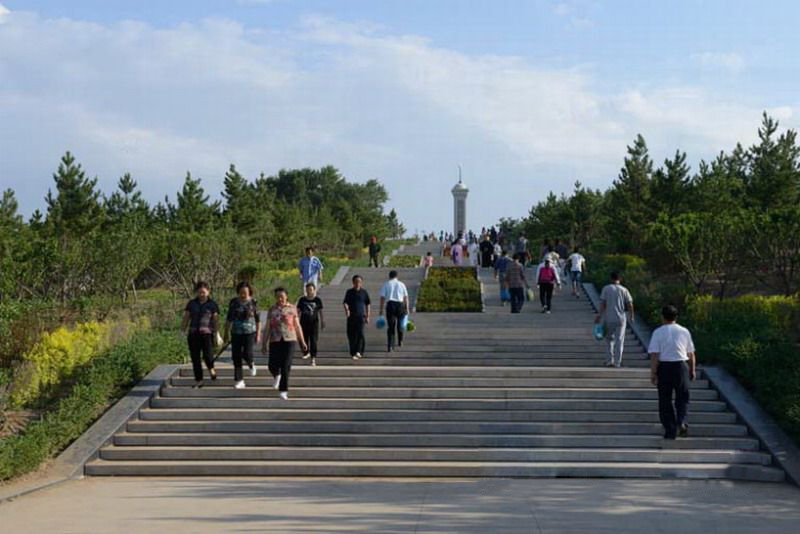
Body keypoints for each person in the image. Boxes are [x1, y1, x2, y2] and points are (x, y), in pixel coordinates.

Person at [648, 305, 696, 439]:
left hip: (665, 367)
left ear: (662, 317)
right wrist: (692, 370)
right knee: (683, 397)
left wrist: (653, 372)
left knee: (665, 400)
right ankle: (682, 421)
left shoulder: (658, 332)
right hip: (681, 366)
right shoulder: (684, 331)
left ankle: (670, 429)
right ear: (676, 317)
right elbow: (691, 353)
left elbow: (655, 355)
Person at [262, 287, 307, 400]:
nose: (280, 298)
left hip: (289, 339)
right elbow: (267, 327)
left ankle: (283, 390)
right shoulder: (272, 310)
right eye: (277, 296)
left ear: (286, 296)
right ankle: (277, 376)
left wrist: (302, 341)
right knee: (272, 365)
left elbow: (297, 325)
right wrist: (264, 343)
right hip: (275, 339)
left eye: (282, 296)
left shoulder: (292, 308)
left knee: (286, 365)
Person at [181, 281, 219, 388]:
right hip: (193, 333)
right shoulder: (192, 304)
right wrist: (182, 331)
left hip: (207, 333)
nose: (201, 294)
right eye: (199, 292)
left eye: (203, 292)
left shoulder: (212, 305)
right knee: (195, 358)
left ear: (208, 292)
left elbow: (216, 320)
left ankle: (211, 368)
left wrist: (217, 333)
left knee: (208, 356)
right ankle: (199, 380)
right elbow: (186, 318)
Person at [223, 282, 261, 389]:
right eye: (240, 292)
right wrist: (226, 332)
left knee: (247, 353)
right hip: (236, 332)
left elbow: (258, 320)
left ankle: (251, 364)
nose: (242, 294)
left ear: (249, 292)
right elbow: (229, 318)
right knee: (236, 356)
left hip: (249, 332)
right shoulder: (234, 302)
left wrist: (258, 333)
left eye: (245, 292)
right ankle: (239, 380)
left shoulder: (253, 302)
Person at [595, 271, 634, 368]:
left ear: (611, 278)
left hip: (608, 317)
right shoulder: (624, 290)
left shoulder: (606, 288)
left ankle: (609, 361)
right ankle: (617, 362)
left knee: (609, 339)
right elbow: (630, 304)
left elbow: (603, 304)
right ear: (620, 279)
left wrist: (599, 315)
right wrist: (631, 316)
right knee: (620, 340)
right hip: (621, 318)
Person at [379, 270, 410, 352]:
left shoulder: (386, 284)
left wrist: (381, 309)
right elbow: (406, 297)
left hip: (390, 305)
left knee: (391, 326)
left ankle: (390, 346)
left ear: (389, 276)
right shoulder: (401, 284)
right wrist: (407, 308)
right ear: (397, 276)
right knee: (400, 324)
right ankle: (400, 341)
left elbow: (382, 297)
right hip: (400, 305)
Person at [343, 275, 371, 360]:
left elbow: (368, 304)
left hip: (361, 316)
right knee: (351, 334)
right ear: (353, 282)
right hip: (351, 316)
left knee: (360, 334)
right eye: (356, 281)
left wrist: (368, 315)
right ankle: (353, 352)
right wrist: (347, 309)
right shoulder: (349, 292)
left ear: (361, 283)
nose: (357, 283)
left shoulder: (364, 292)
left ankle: (359, 352)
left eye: (359, 281)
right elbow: (345, 302)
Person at [297, 283, 325, 366]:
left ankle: (313, 358)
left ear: (314, 290)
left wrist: (323, 321)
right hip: (303, 323)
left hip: (314, 324)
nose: (309, 291)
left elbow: (320, 311)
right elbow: (298, 311)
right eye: (308, 289)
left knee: (313, 340)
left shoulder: (317, 300)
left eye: (311, 289)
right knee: (304, 339)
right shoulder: (302, 300)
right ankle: (305, 352)